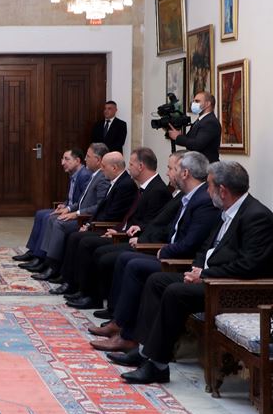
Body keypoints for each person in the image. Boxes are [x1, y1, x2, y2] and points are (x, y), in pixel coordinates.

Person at [111, 161, 273, 385]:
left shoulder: (256, 217)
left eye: (209, 186)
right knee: (156, 280)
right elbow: (206, 248)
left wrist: (205, 275)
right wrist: (197, 268)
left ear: (223, 190)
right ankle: (144, 350)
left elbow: (249, 266)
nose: (207, 191)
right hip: (215, 278)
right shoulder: (228, 211)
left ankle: (158, 365)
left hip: (238, 289)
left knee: (175, 292)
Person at [90, 151, 219, 352]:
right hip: (170, 255)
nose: (169, 173)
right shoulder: (189, 197)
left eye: (173, 169)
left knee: (134, 265)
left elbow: (191, 243)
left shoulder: (203, 201)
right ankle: (120, 325)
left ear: (185, 173)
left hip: (179, 262)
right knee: (126, 259)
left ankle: (127, 335)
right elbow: (170, 229)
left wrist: (165, 251)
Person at [55, 147, 171, 306]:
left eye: (131, 164)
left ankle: (92, 295)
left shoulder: (157, 190)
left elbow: (150, 224)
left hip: (135, 240)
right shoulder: (144, 187)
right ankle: (79, 288)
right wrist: (116, 230)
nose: (128, 167)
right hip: (123, 232)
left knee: (89, 244)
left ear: (141, 166)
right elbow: (131, 218)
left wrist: (120, 232)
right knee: (79, 238)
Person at [21, 143, 109, 274]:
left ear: (98, 160)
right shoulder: (93, 175)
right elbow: (80, 201)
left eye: (88, 156)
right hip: (78, 213)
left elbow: (100, 206)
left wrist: (76, 213)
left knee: (58, 222)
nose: (85, 159)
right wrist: (68, 208)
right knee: (48, 217)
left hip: (86, 218)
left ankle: (52, 265)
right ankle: (42, 258)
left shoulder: (99, 177)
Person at [13, 148, 91, 264]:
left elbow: (82, 201)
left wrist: (68, 208)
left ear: (77, 161)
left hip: (76, 213)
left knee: (48, 217)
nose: (62, 163)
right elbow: (71, 198)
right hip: (69, 208)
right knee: (40, 214)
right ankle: (32, 251)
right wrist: (64, 204)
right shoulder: (74, 174)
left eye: (67, 159)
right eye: (62, 159)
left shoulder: (84, 176)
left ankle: (40, 256)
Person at [167, 91, 221, 163]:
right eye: (193, 101)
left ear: (208, 104)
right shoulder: (200, 120)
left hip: (206, 165)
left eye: (197, 101)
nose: (193, 103)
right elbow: (190, 140)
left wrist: (178, 137)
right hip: (198, 164)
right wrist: (178, 134)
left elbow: (197, 144)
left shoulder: (210, 122)